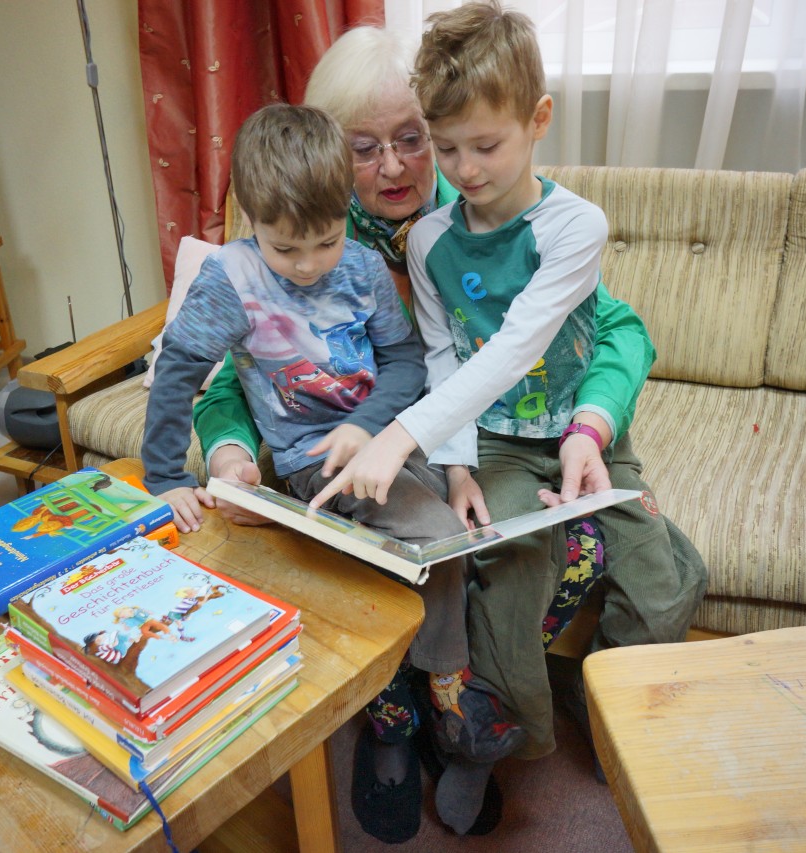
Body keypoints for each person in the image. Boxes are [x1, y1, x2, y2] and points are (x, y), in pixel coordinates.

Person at [310, 0, 709, 826]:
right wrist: (449, 458)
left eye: (417, 141)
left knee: (661, 573)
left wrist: (589, 427)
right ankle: (448, 735)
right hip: (439, 451)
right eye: (363, 146)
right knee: (480, 566)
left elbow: (580, 333)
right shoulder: (322, 242)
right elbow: (242, 350)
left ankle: (570, 703)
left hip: (523, 437)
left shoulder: (554, 226)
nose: (423, 166)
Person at [140, 101, 525, 840]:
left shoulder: (362, 267)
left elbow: (409, 360)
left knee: (450, 537)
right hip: (307, 466)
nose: (312, 264)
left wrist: (365, 425)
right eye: (289, 251)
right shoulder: (229, 279)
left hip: (382, 439)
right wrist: (164, 477)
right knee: (426, 535)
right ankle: (438, 696)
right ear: (253, 220)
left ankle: (443, 697)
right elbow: (178, 375)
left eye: (325, 239)